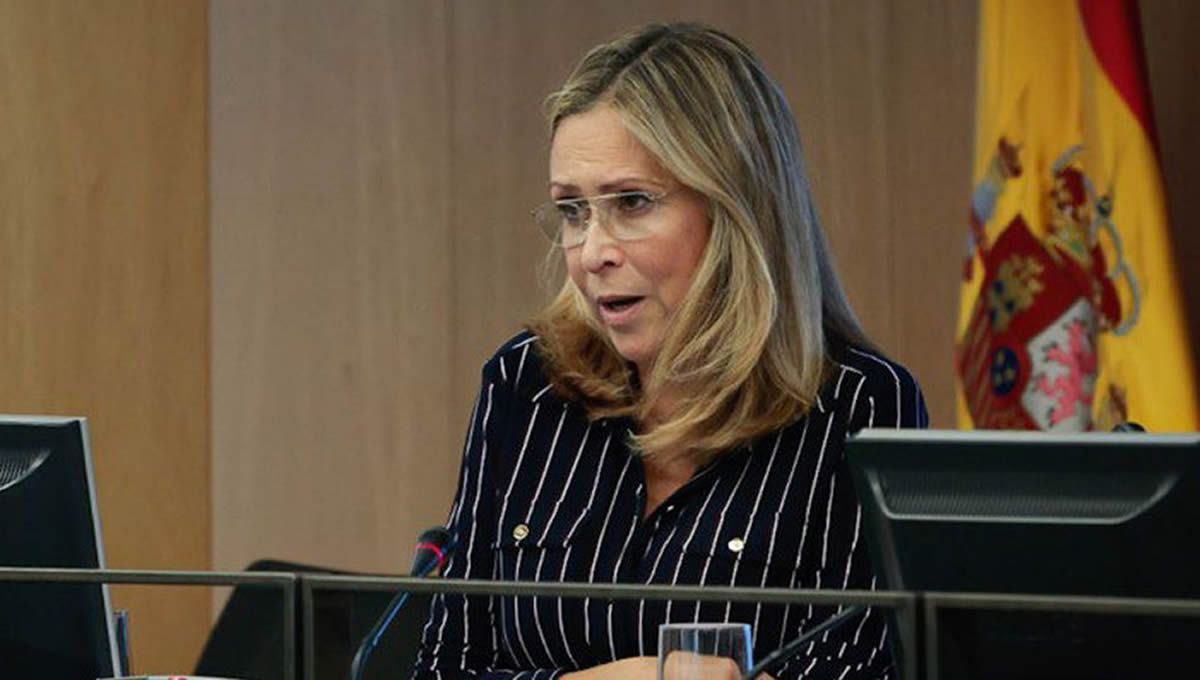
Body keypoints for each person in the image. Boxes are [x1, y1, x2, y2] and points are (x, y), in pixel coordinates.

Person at [412, 22, 927, 680]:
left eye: (631, 202)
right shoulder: (527, 384)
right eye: (572, 211)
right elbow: (442, 668)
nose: (593, 251)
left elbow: (862, 669)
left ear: (735, 207)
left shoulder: (858, 406)